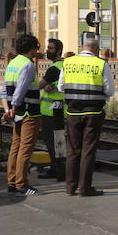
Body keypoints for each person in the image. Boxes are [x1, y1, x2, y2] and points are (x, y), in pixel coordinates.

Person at [59, 37, 115, 197]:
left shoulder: (68, 62)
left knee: (72, 150)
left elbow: (60, 86)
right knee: (88, 151)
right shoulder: (101, 63)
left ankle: (70, 187)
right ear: (96, 49)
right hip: (93, 113)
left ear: (83, 47)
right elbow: (110, 90)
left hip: (72, 112)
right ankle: (85, 188)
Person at [1, 35, 43, 196]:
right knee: (25, 149)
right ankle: (22, 185)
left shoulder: (12, 64)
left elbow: (4, 91)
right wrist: (15, 106)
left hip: (16, 113)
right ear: (31, 48)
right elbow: (21, 90)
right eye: (36, 47)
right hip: (29, 112)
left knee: (15, 148)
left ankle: (11, 183)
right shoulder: (28, 65)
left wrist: (8, 110)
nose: (37, 50)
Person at [37, 39, 66, 181]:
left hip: (51, 111)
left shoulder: (54, 69)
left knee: (52, 143)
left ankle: (57, 170)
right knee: (60, 142)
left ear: (59, 50)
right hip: (62, 110)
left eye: (51, 48)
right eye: (48, 48)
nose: (48, 50)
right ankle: (61, 169)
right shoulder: (65, 65)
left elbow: (39, 86)